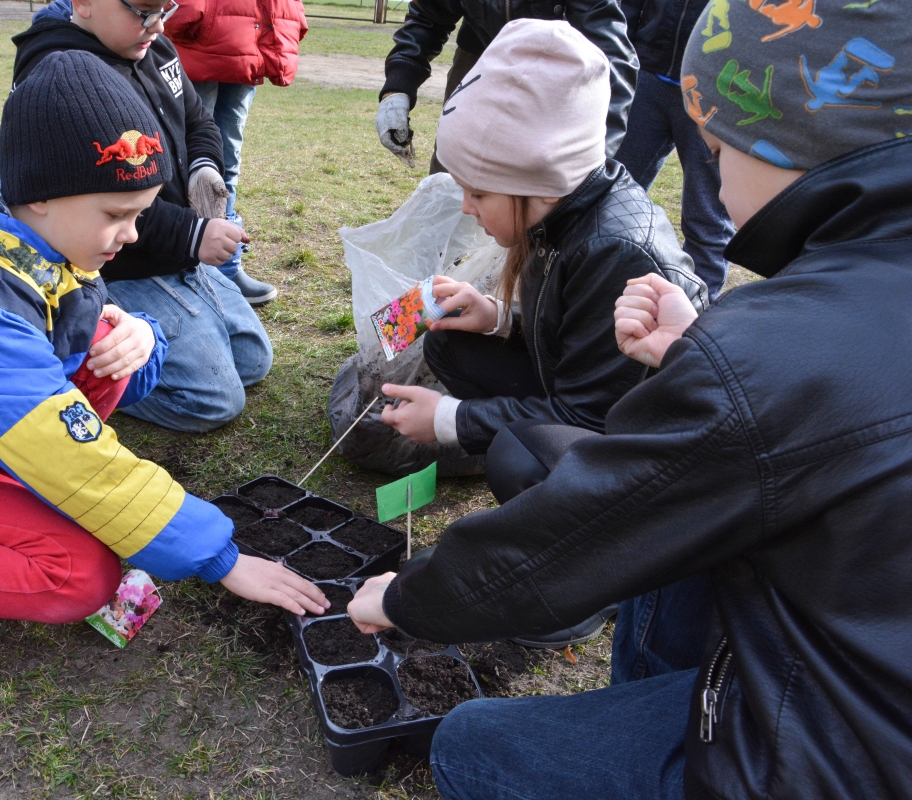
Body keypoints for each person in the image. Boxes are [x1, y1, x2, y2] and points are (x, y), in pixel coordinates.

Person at [349, 4, 912, 798]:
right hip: (849, 664)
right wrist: (522, 323)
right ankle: (656, 689)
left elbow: (582, 523)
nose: (710, 177)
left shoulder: (727, 320)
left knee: (469, 745)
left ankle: (655, 701)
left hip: (838, 754)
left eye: (715, 150)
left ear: (788, 143)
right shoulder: (838, 315)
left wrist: (408, 597)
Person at [0, 52, 327, 706]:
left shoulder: (28, 232)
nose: (131, 235)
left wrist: (142, 336)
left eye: (139, 214)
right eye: (116, 214)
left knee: (107, 339)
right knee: (81, 576)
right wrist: (222, 558)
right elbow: (77, 461)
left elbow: (87, 340)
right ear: (40, 194)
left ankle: (17, 493)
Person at [378, 22, 706, 647]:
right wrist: (499, 316)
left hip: (640, 447)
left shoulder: (616, 250)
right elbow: (576, 334)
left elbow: (590, 414)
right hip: (589, 397)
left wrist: (448, 420)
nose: (467, 207)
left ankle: (584, 585)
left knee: (518, 453)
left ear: (536, 181)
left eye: (478, 192)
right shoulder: (564, 212)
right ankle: (542, 498)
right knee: (449, 342)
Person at [12, 0, 274, 433]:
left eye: (165, 10)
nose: (157, 25)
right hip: (124, 267)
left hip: (174, 255)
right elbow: (104, 203)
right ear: (85, 3)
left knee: (252, 361)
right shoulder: (62, 79)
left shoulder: (155, 48)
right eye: (143, 10)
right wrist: (193, 233)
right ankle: (85, 382)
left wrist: (203, 167)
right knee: (212, 401)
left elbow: (198, 121)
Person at [374, 0, 637, 172]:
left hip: (555, 72)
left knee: (532, 183)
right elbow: (429, 16)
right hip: (478, 54)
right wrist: (398, 87)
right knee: (451, 171)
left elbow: (610, 59)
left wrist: (595, 155)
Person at [166, 0, 309, 306]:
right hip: (201, 36)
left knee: (227, 160)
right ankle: (186, 261)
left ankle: (225, 268)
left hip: (248, 38)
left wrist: (289, 18)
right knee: (190, 157)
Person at [615, 0, 735, 299]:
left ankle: (696, 312)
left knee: (707, 217)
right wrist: (627, 50)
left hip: (717, 88)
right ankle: (603, 288)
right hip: (648, 75)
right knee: (611, 196)